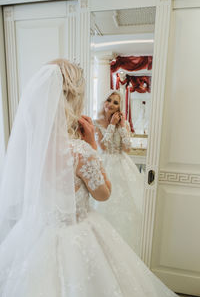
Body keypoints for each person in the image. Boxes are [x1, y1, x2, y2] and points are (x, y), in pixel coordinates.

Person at [0, 59, 178, 296]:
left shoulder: (30, 150)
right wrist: (92, 144)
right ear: (73, 99)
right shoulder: (79, 151)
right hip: (78, 236)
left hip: (35, 234)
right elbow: (103, 194)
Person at [93, 90, 144, 253]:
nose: (111, 104)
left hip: (123, 165)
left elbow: (127, 148)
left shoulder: (124, 123)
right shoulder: (96, 123)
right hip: (105, 163)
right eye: (109, 100)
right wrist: (111, 126)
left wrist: (122, 127)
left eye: (116, 102)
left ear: (119, 107)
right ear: (103, 101)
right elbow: (103, 146)